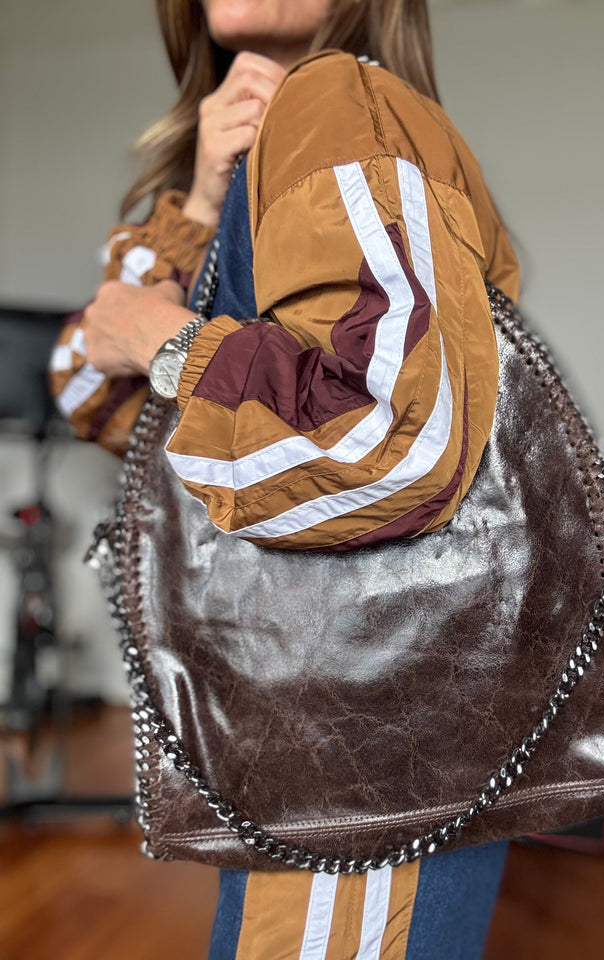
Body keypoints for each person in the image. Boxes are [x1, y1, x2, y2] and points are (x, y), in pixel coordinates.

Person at [50, 0, 520, 955]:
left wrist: (167, 342)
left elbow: (391, 441)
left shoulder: (338, 102)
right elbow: (92, 394)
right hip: (320, 711)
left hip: (361, 735)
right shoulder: (268, 152)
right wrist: (195, 203)